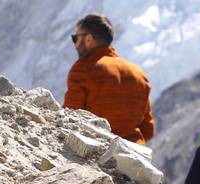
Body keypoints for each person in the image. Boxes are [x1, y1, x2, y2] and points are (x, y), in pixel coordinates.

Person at [64, 14, 155, 145]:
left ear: (88, 39)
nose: (75, 45)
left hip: (94, 151)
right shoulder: (139, 74)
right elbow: (148, 130)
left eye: (75, 38)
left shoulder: (84, 69)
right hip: (135, 153)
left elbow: (70, 116)